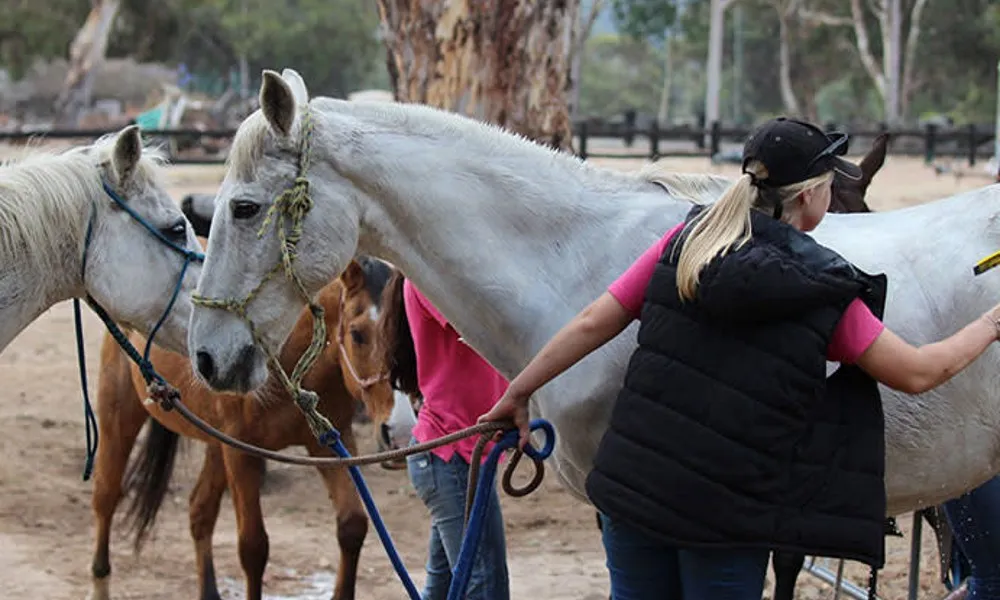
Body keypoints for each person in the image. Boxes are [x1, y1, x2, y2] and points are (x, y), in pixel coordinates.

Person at [479, 117, 1000, 600]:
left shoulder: (683, 244)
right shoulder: (825, 292)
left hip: (633, 490)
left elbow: (593, 321)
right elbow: (918, 372)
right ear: (814, 195)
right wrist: (992, 323)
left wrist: (517, 391)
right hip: (726, 516)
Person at [400, 278, 511, 600]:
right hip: (451, 455)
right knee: (485, 587)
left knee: (447, 587)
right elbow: (485, 321)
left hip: (460, 455)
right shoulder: (429, 276)